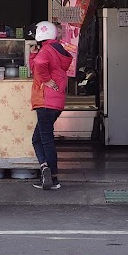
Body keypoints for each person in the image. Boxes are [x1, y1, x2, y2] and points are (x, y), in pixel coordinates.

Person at [29, 21, 72, 191]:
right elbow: (37, 65)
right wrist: (33, 55)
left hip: (45, 100)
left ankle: (52, 177)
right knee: (38, 138)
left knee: (45, 139)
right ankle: (46, 169)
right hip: (55, 102)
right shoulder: (57, 49)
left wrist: (46, 80)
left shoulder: (46, 50)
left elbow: (40, 65)